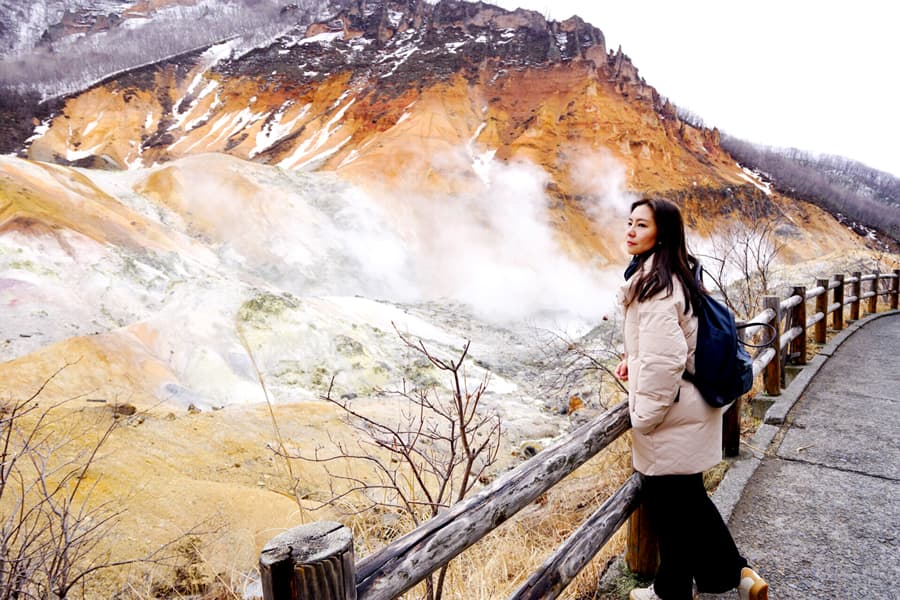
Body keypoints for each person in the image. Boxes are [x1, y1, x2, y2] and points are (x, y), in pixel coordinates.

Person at [615, 198, 768, 600]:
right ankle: (730, 576)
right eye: (629, 223)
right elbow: (669, 346)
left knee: (672, 510)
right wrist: (633, 359)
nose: (630, 231)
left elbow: (666, 362)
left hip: (672, 413)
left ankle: (687, 587)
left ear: (661, 233)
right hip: (691, 407)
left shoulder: (654, 287)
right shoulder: (677, 275)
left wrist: (643, 418)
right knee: (687, 504)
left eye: (641, 225)